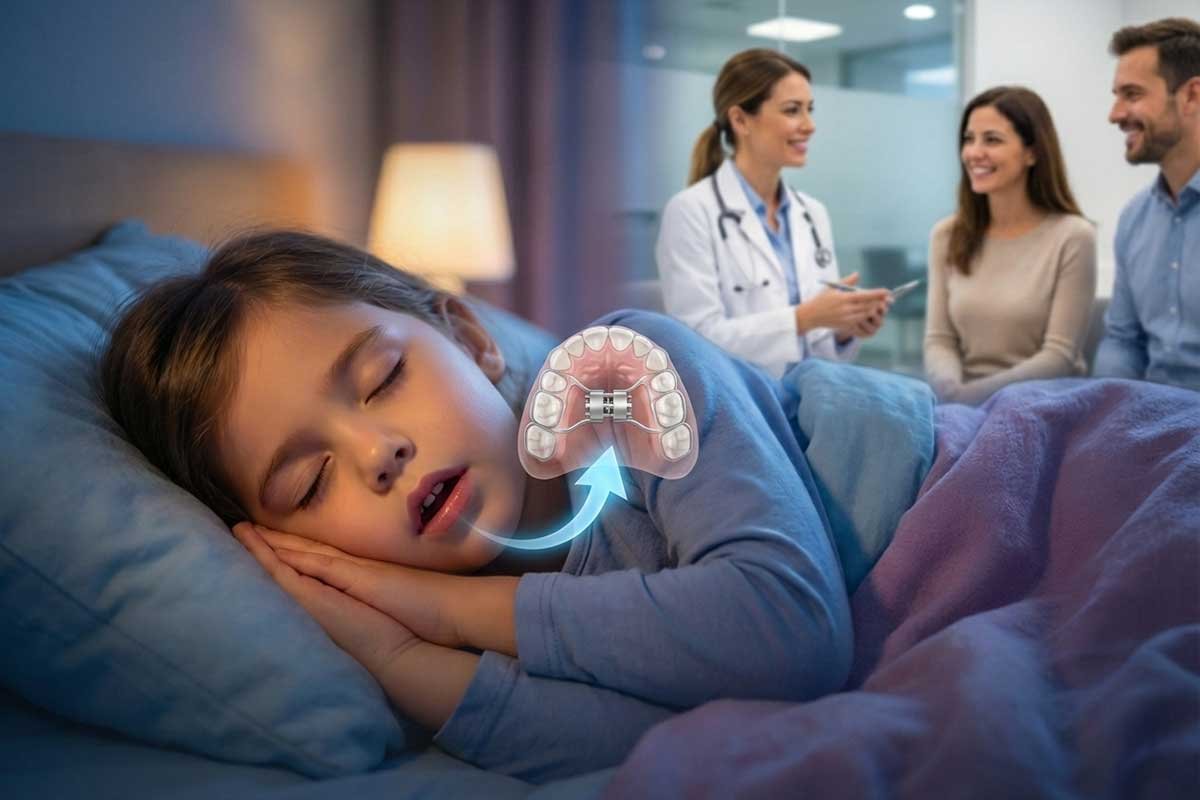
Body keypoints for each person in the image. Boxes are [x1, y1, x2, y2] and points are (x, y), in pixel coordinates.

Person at [99, 230, 852, 782]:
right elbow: (688, 739)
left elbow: (791, 634)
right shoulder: (462, 647)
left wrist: (444, 609)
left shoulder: (617, 375)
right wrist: (399, 656)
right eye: (309, 483)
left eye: (383, 377)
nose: (377, 453)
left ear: (469, 336)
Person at [655, 48, 891, 379]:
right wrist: (803, 318)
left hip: (812, 400)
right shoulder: (692, 211)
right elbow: (694, 341)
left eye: (810, 110)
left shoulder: (812, 214)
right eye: (792, 111)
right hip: (742, 406)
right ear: (740, 120)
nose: (809, 126)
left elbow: (820, 349)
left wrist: (844, 327)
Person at [923, 86, 1097, 405]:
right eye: (968, 138)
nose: (974, 152)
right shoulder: (946, 235)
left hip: (1044, 406)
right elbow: (939, 340)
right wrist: (950, 391)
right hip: (961, 406)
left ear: (1032, 152)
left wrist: (970, 398)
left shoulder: (1073, 236)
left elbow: (1058, 358)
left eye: (992, 139)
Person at [1094, 17, 1200, 390]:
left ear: (1191, 95)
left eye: (1132, 94)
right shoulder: (1135, 219)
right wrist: (1109, 416)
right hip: (1151, 426)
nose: (1115, 114)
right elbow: (1123, 343)